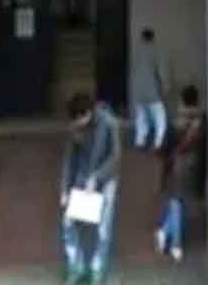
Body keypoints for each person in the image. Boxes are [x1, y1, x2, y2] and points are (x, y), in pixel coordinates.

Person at [60, 93, 122, 285]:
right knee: (69, 223)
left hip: (105, 180)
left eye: (78, 120)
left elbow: (115, 157)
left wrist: (97, 178)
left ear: (87, 114)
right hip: (83, 179)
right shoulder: (75, 128)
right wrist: (65, 189)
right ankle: (76, 265)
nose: (76, 125)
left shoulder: (109, 123)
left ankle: (97, 268)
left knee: (103, 228)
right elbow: (70, 160)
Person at [156, 84, 207, 263]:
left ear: (182, 100)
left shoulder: (174, 120)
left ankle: (172, 239)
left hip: (175, 166)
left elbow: (164, 147)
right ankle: (168, 236)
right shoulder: (201, 120)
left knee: (176, 204)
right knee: (181, 205)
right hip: (193, 167)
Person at [131, 28, 166, 151]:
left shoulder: (136, 51)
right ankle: (158, 143)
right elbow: (162, 71)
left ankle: (139, 141)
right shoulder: (156, 50)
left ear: (142, 37)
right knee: (159, 117)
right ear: (152, 38)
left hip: (137, 88)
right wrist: (165, 87)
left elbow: (133, 69)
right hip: (152, 88)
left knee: (141, 116)